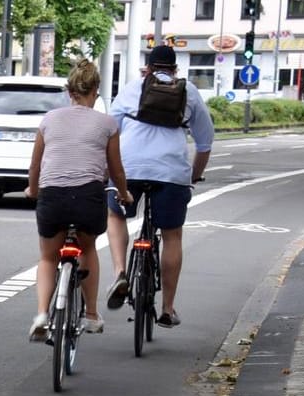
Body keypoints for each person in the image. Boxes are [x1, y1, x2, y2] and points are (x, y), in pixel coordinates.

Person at [104, 44, 215, 328]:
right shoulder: (189, 91)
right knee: (172, 235)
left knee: (116, 215)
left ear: (149, 68)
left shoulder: (132, 88)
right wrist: (192, 177)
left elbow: (108, 131)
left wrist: (109, 171)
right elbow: (204, 144)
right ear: (175, 69)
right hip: (172, 171)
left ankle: (120, 272)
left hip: (130, 167)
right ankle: (167, 307)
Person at [25, 59, 127, 342]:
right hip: (87, 196)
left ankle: (43, 314)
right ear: (95, 91)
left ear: (70, 92)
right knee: (87, 248)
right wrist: (124, 192)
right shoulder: (108, 124)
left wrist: (32, 190)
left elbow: (35, 166)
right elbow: (116, 169)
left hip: (52, 196)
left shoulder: (49, 120)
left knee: (48, 257)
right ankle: (91, 315)